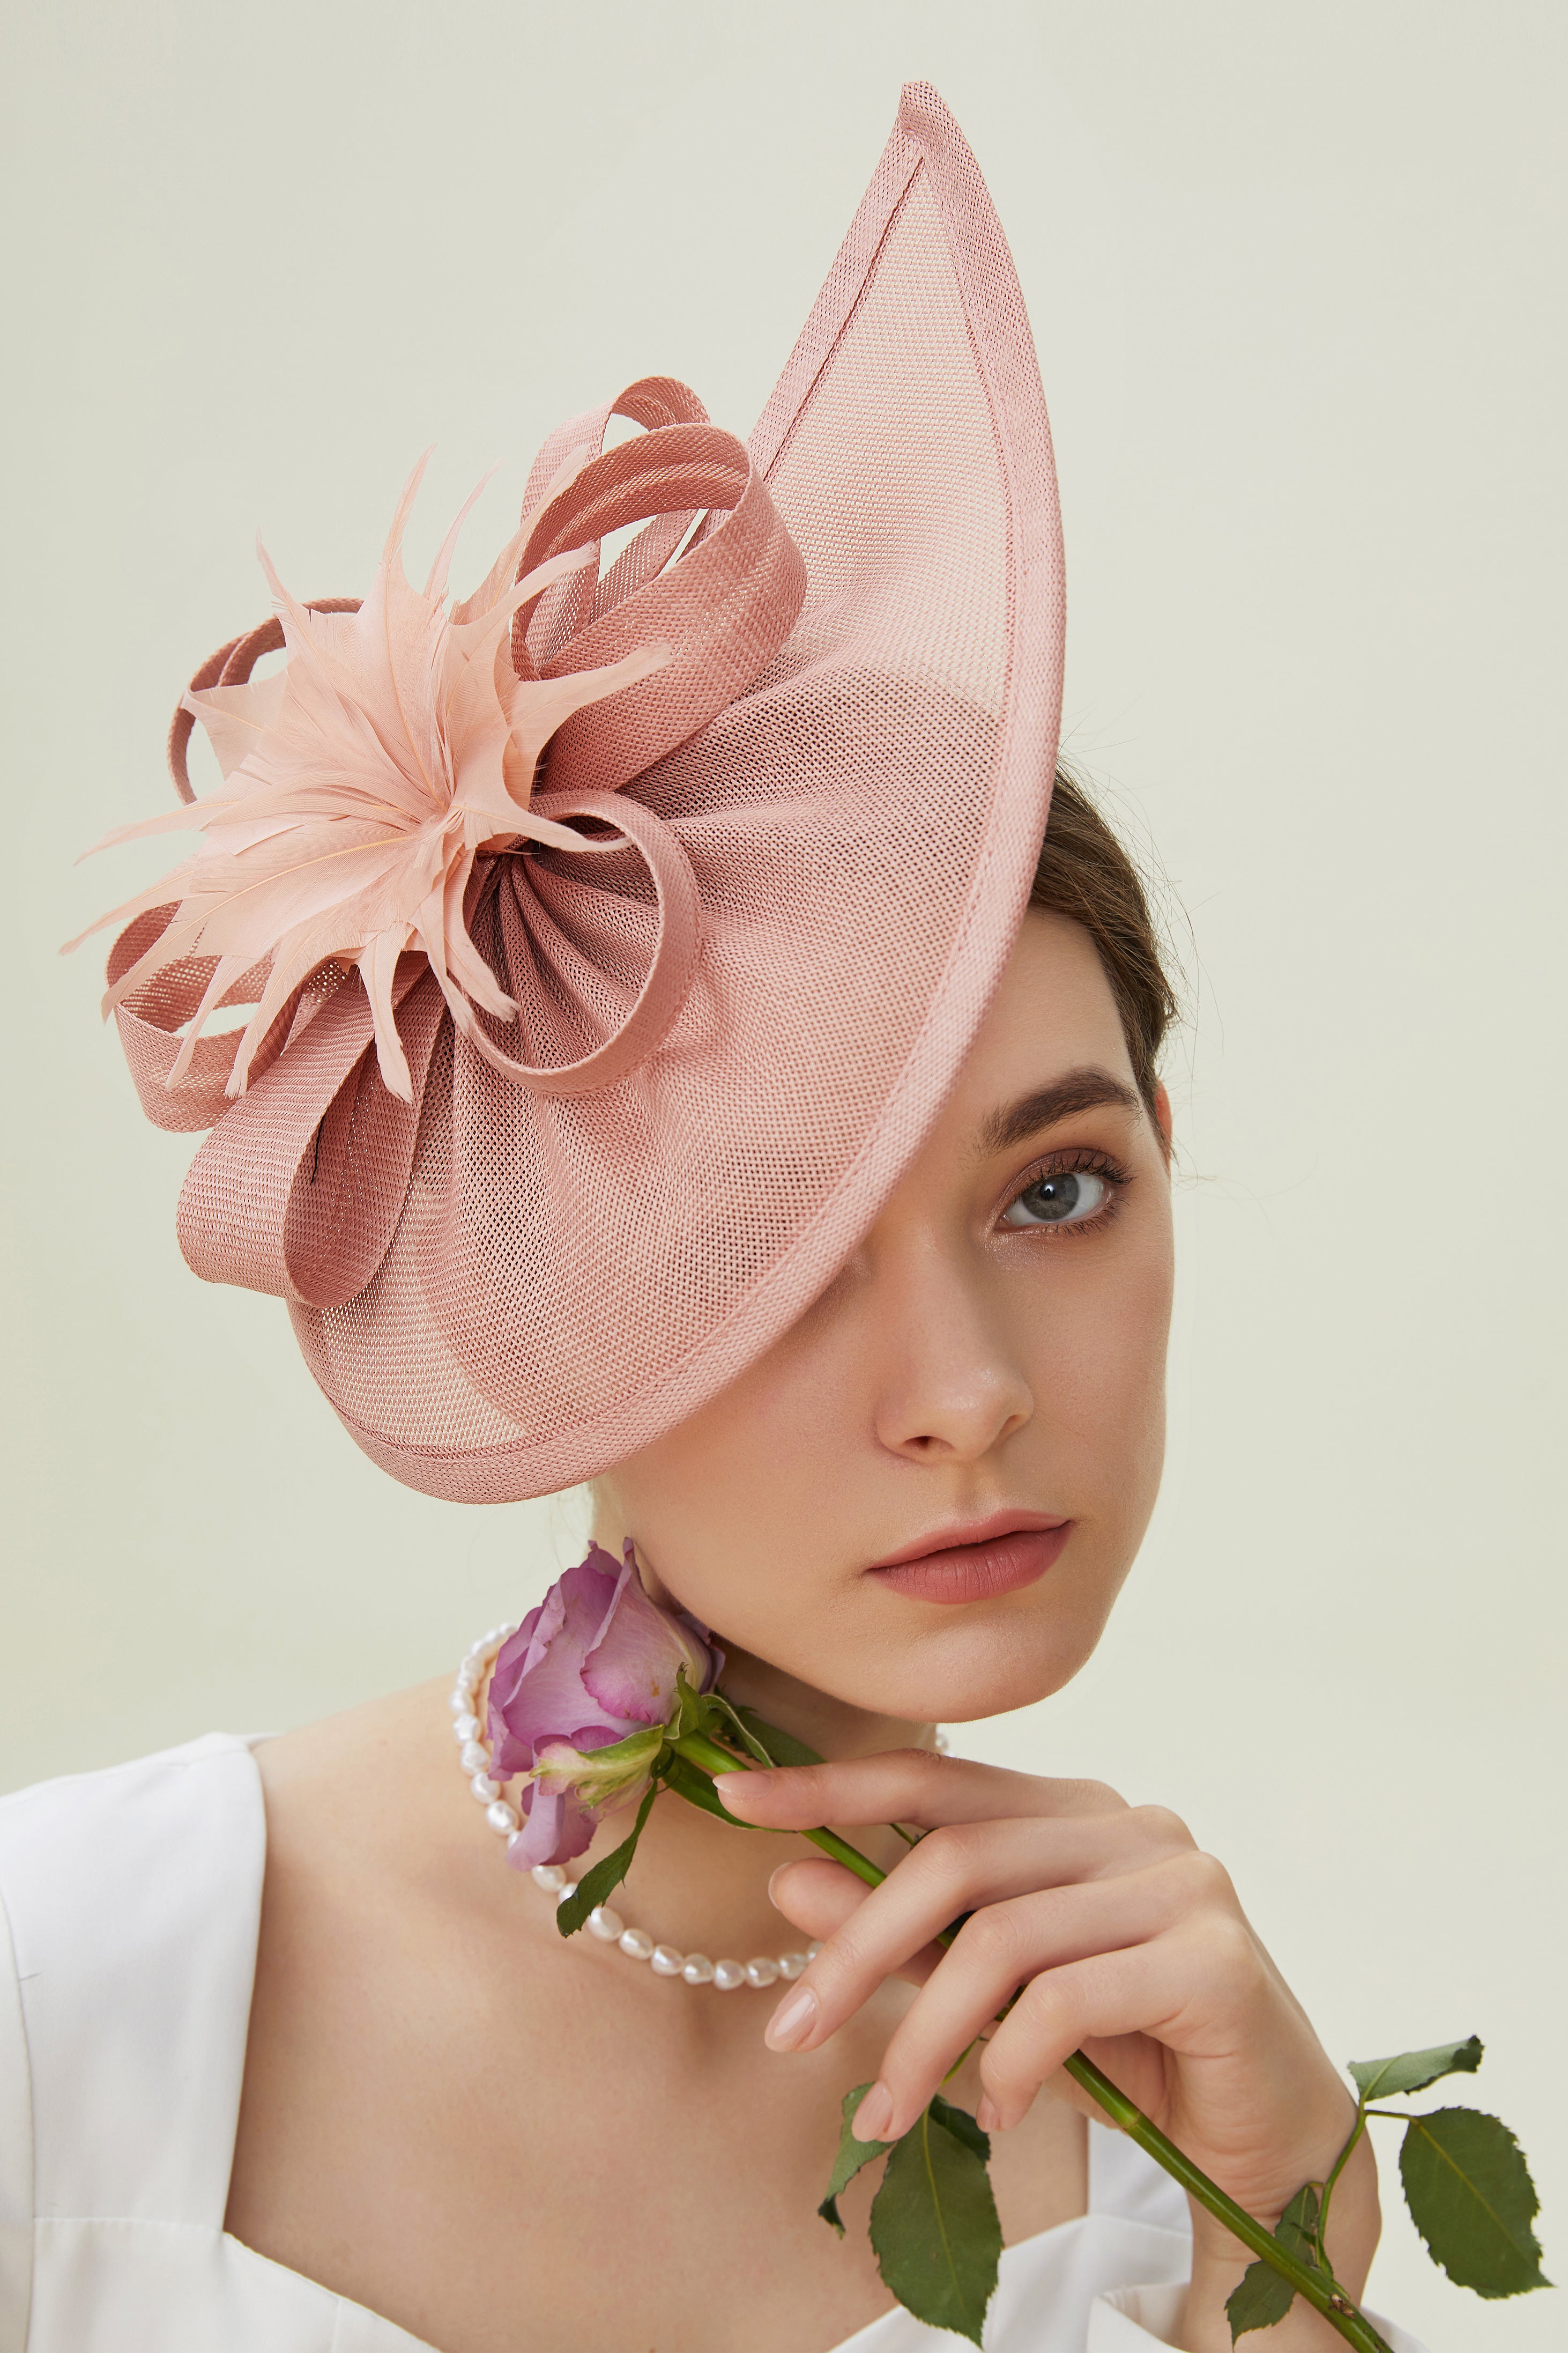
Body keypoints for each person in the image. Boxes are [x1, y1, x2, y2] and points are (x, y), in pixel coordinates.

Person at [0, 84, 1426, 2353]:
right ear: (536, 1286)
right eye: (776, 1255)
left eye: (1057, 1187)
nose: (970, 1396)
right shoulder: (70, 1995)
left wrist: (1295, 2281)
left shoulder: (1179, 2147)